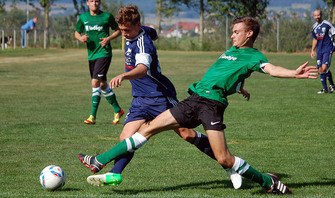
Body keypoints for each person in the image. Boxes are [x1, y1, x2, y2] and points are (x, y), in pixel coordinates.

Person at [78, 16, 318, 194]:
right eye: (232, 31)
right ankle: (99, 160)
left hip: (211, 106)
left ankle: (268, 182)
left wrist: (292, 73)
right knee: (147, 130)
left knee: (224, 158)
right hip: (193, 100)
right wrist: (239, 86)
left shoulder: (255, 56)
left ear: (249, 34)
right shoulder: (231, 51)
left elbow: (269, 69)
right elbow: (229, 74)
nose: (232, 35)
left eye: (236, 32)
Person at [78, 5, 243, 189]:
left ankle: (229, 166)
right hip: (140, 99)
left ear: (137, 24)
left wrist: (124, 75)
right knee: (126, 137)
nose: (123, 34)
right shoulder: (140, 31)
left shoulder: (142, 43)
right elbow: (153, 31)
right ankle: (115, 173)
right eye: (121, 30)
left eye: (127, 30)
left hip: (160, 96)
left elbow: (142, 69)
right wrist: (150, 32)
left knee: (186, 134)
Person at [75, 0, 124, 125]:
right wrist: (81, 38)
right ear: (87, 3)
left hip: (104, 53)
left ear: (99, 3)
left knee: (95, 82)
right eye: (92, 1)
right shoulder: (83, 17)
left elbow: (118, 30)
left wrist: (108, 39)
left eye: (97, 1)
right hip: (91, 55)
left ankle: (92, 116)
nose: (94, 3)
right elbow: (76, 32)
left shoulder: (106, 16)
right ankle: (118, 110)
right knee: (102, 84)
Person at [311, 9, 335, 94]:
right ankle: (327, 88)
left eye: (318, 15)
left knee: (324, 68)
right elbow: (315, 39)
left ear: (321, 15)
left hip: (328, 49)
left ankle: (330, 86)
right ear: (313, 16)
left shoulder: (327, 24)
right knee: (320, 70)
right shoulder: (314, 27)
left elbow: (333, 34)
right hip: (319, 50)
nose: (317, 17)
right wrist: (313, 50)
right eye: (315, 15)